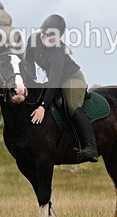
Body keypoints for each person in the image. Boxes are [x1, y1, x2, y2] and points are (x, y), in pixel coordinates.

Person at [15, 14, 98, 163]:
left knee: (71, 105)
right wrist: (32, 79)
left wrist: (42, 107)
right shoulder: (33, 40)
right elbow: (28, 60)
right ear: (43, 33)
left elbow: (54, 82)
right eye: (50, 38)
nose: (52, 42)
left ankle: (90, 146)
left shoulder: (57, 51)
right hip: (55, 79)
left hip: (72, 78)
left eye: (55, 40)